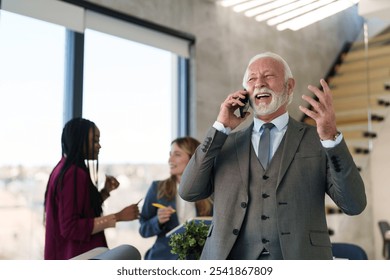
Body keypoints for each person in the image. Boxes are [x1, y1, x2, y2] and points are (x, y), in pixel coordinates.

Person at [179, 52, 366, 260]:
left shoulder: (318, 140)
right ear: (245, 92)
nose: (259, 83)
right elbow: (188, 191)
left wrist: (332, 139)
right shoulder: (223, 142)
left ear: (289, 86)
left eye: (268, 76)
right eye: (252, 79)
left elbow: (354, 204)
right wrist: (220, 128)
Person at [43, 117, 140, 260]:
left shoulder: (63, 168)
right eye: (95, 141)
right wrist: (118, 216)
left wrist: (105, 192)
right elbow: (70, 227)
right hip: (77, 256)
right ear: (79, 141)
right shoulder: (73, 174)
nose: (99, 146)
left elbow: (80, 210)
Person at [139, 136, 213, 260]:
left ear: (193, 159)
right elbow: (143, 230)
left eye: (177, 155)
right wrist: (157, 220)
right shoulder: (157, 188)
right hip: (163, 260)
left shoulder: (210, 191)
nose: (170, 160)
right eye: (170, 154)